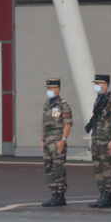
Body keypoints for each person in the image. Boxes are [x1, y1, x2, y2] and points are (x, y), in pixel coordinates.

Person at [87, 74, 111, 208]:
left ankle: (108, 196)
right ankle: (102, 194)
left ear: (105, 85)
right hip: (96, 139)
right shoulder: (98, 100)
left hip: (106, 140)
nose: (96, 85)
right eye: (95, 83)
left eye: (99, 83)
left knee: (107, 168)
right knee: (98, 169)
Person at [40, 78, 72, 207]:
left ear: (57, 89)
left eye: (51, 88)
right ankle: (54, 193)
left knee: (58, 168)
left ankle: (60, 195)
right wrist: (42, 139)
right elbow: (43, 123)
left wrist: (63, 140)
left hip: (57, 140)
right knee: (49, 167)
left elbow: (68, 124)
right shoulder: (47, 104)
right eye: (47, 88)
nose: (48, 91)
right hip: (47, 140)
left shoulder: (63, 105)